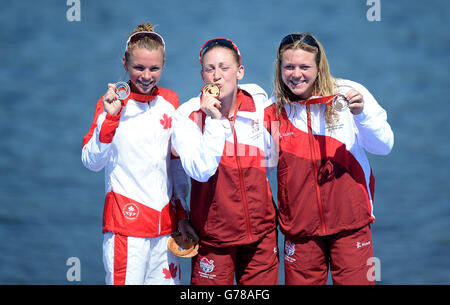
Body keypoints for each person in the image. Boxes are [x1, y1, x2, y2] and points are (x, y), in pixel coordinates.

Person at [264, 33, 394, 285]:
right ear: (279, 68)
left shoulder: (349, 95)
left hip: (350, 224)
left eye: (304, 67)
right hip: (299, 231)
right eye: (289, 66)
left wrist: (362, 115)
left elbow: (384, 146)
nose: (296, 74)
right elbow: (261, 170)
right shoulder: (272, 110)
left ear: (319, 67)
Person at [81, 22, 197, 285]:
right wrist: (110, 119)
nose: (146, 76)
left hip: (165, 232)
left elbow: (175, 166)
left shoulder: (170, 101)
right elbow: (91, 162)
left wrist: (182, 215)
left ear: (163, 66)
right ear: (125, 64)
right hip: (126, 231)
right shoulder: (111, 104)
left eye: (154, 68)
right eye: (138, 68)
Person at [171, 38, 279, 285]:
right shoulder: (188, 115)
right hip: (214, 238)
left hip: (261, 235)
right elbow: (200, 171)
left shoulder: (259, 104)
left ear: (240, 71)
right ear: (202, 75)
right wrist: (215, 120)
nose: (217, 76)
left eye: (224, 67)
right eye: (210, 69)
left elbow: (270, 161)